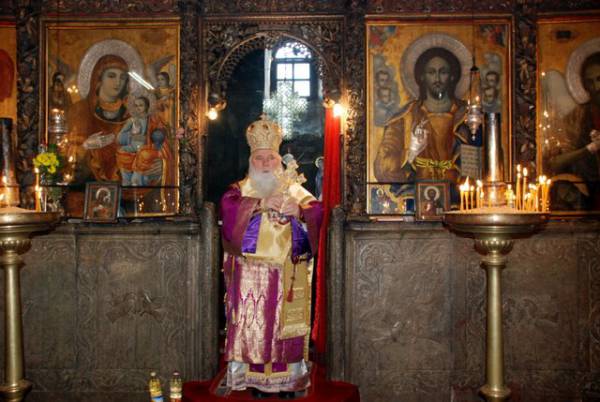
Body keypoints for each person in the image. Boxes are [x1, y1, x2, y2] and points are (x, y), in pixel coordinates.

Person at [220, 115, 323, 398]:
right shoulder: (240, 190)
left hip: (288, 269)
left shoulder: (292, 187)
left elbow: (316, 210)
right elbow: (227, 208)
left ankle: (288, 381)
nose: (265, 163)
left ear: (279, 159)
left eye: (271, 158)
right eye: (259, 158)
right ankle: (255, 380)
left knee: (285, 328)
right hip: (251, 272)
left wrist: (299, 211)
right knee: (255, 326)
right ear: (251, 161)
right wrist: (260, 204)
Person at [373, 47, 472, 183]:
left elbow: (482, 165)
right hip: (415, 191)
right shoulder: (406, 117)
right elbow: (382, 168)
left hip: (460, 191)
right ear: (422, 77)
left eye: (443, 72)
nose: (437, 78)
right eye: (431, 72)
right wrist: (410, 153)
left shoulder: (468, 116)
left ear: (452, 76)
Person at [66, 54, 130, 185]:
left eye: (122, 77)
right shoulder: (79, 110)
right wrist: (87, 145)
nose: (118, 82)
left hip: (124, 187)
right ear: (99, 78)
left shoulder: (131, 114)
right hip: (84, 186)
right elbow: (66, 153)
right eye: (111, 76)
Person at [548, 52, 600, 209]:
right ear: (584, 85)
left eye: (599, 79)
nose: (596, 87)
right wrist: (590, 149)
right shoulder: (576, 117)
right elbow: (555, 163)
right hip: (586, 196)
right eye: (590, 82)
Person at [116, 96, 173, 186]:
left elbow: (159, 137)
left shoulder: (153, 121)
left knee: (143, 155)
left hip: (147, 148)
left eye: (141, 105)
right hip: (133, 147)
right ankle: (126, 179)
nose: (138, 108)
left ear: (147, 106)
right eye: (136, 106)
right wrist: (131, 136)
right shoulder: (132, 120)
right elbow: (119, 137)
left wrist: (149, 138)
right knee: (122, 151)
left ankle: (137, 179)